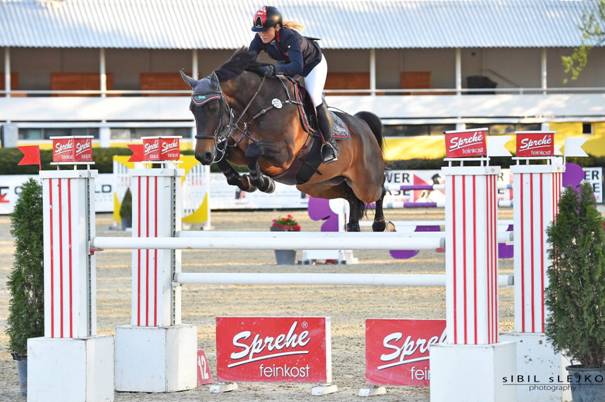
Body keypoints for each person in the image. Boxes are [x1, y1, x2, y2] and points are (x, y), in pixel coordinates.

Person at [248, 6, 338, 163]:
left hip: (312, 65)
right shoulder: (260, 38)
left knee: (314, 97)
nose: (261, 34)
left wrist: (272, 69)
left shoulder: (290, 37)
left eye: (265, 30)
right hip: (289, 63)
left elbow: (298, 68)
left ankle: (330, 144)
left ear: (277, 27)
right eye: (259, 30)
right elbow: (248, 61)